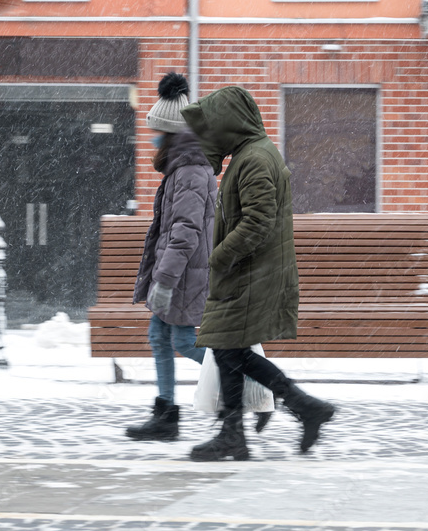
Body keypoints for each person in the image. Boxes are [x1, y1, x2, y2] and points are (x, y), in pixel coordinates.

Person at [180, 85, 335, 461]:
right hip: (250, 272)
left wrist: (218, 257)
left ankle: (294, 409)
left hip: (252, 273)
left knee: (226, 346)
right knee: (228, 347)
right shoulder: (250, 155)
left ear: (230, 125)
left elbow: (258, 221)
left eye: (214, 128)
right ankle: (248, 427)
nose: (209, 138)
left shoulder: (254, 160)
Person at [125, 72, 217, 441]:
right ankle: (165, 417)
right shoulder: (180, 169)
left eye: (158, 132)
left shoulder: (191, 171)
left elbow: (184, 233)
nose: (153, 139)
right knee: (160, 336)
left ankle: (239, 377)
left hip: (184, 276)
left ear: (172, 134)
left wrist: (163, 280)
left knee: (181, 341)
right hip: (179, 272)